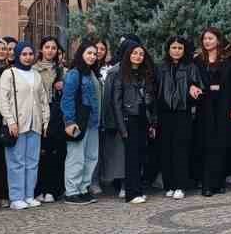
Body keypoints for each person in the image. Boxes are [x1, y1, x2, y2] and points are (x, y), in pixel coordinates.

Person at [103, 37, 157, 204]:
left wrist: (151, 121)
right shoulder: (120, 74)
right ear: (128, 55)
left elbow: (150, 99)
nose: (138, 56)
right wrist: (122, 127)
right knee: (131, 157)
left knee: (140, 155)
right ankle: (131, 193)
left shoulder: (144, 73)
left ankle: (138, 189)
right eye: (134, 53)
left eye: (141, 54)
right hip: (128, 118)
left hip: (142, 117)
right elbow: (116, 103)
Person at [190, 29, 231, 197]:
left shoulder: (229, 60)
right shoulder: (197, 61)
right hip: (205, 106)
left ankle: (218, 182)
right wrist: (192, 87)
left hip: (224, 106)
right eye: (205, 38)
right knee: (206, 144)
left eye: (210, 38)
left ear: (218, 40)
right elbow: (191, 80)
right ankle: (206, 184)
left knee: (220, 145)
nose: (207, 41)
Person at [0, 41, 49, 210]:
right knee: (16, 161)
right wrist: (10, 120)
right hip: (17, 124)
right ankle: (16, 196)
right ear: (18, 55)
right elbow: (2, 99)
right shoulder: (9, 73)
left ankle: (29, 194)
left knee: (32, 161)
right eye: (24, 54)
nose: (27, 57)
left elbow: (43, 100)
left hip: (35, 123)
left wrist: (45, 120)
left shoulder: (36, 74)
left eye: (30, 54)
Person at [60, 40, 102, 204]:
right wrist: (69, 121)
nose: (92, 56)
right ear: (81, 54)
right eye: (89, 53)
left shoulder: (92, 74)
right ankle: (71, 191)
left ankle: (83, 188)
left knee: (91, 157)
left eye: (94, 54)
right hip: (78, 121)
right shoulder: (74, 73)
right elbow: (67, 99)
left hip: (93, 122)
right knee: (76, 156)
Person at [153, 35, 194, 199]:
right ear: (168, 49)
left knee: (181, 149)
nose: (176, 51)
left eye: (180, 48)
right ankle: (169, 184)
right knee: (166, 149)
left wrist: (194, 92)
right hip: (165, 114)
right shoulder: (161, 67)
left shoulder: (190, 67)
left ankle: (180, 185)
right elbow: (155, 90)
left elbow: (197, 88)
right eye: (174, 48)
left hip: (182, 113)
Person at [32, 36, 66, 204]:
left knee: (56, 151)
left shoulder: (61, 69)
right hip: (39, 113)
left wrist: (62, 86)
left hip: (56, 113)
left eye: (53, 48)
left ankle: (53, 189)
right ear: (41, 49)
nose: (50, 51)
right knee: (42, 152)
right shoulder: (33, 69)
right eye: (47, 47)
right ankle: (41, 188)